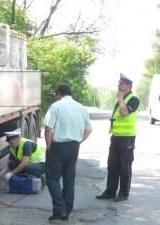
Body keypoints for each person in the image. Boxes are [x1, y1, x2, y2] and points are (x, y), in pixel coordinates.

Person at [44, 83, 92, 222]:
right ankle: (66, 212)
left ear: (58, 93)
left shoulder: (57, 106)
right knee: (69, 180)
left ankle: (59, 209)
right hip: (74, 147)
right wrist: (79, 141)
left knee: (52, 178)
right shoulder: (81, 107)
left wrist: (48, 145)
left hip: (57, 147)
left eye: (56, 94)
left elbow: (48, 129)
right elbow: (88, 129)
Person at [96, 73, 140, 202]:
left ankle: (123, 193)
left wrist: (121, 98)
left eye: (121, 84)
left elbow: (125, 113)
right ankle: (110, 191)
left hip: (127, 138)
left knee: (124, 166)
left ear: (128, 86)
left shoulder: (133, 98)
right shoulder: (122, 98)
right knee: (112, 165)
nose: (118, 86)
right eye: (118, 83)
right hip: (116, 137)